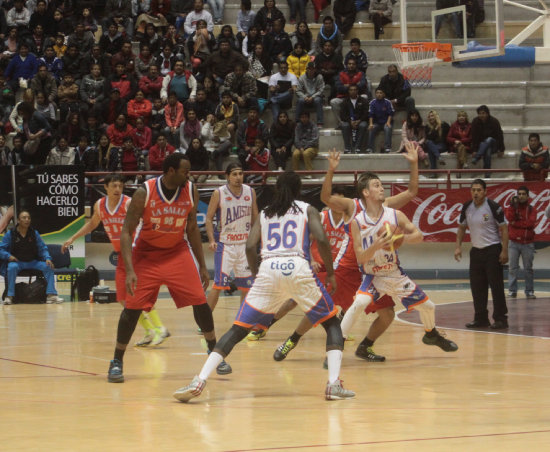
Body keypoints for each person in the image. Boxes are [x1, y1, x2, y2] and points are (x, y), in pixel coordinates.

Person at [173, 171, 356, 402]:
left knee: (238, 329)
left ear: (277, 189)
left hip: (269, 268)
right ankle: (333, 385)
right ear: (298, 189)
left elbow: (250, 246)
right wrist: (330, 272)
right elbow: (320, 239)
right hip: (297, 266)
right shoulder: (307, 209)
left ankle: (200, 379)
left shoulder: (265, 213)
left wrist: (258, 273)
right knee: (331, 323)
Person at [268, 146, 420, 361]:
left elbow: (412, 192)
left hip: (371, 270)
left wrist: (414, 163)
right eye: (376, 185)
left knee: (387, 314)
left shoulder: (385, 207)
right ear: (365, 191)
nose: (380, 188)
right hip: (347, 267)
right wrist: (331, 169)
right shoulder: (352, 206)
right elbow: (325, 196)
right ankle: (291, 340)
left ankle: (365, 346)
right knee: (321, 307)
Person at [107, 153, 231, 383]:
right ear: (171, 171)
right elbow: (126, 231)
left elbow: (192, 227)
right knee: (132, 309)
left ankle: (215, 353)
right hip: (146, 255)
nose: (189, 175)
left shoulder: (190, 190)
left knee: (200, 301)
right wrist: (130, 268)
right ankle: (117, 360)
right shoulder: (145, 192)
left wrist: (203, 265)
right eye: (185, 171)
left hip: (177, 252)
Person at [62, 174, 170, 346]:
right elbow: (92, 224)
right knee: (122, 298)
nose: (118, 189)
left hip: (137, 252)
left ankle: (159, 328)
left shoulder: (128, 203)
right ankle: (151, 330)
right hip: (122, 255)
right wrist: (73, 238)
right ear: (105, 187)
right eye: (114, 186)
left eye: (120, 186)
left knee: (138, 294)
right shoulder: (100, 205)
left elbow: (147, 221)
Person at [455, 179, 509, 329]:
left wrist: (504, 250)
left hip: (493, 250)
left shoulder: (493, 207)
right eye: (473, 190)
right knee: (477, 287)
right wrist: (458, 247)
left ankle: (501, 319)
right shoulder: (467, 207)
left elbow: (504, 229)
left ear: (485, 191)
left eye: (479, 190)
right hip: (476, 251)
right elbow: (461, 228)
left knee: (496, 286)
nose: (476, 193)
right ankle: (481, 318)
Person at [205, 163, 258, 313]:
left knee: (247, 286)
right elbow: (208, 219)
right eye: (234, 174)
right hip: (225, 245)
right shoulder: (219, 193)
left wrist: (256, 240)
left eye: (240, 174)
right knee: (218, 285)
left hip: (244, 245)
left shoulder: (250, 191)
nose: (238, 177)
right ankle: (205, 323)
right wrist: (211, 240)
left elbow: (256, 217)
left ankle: (242, 319)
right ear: (227, 176)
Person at [0, 210, 64, 305]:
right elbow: (1, 249)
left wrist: (47, 258)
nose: (27, 220)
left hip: (33, 262)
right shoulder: (10, 234)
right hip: (17, 262)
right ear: (18, 220)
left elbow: (42, 248)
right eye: (24, 218)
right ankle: (10, 296)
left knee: (48, 266)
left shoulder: (34, 233)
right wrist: (9, 256)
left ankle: (51, 295)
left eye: (29, 218)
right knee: (11, 267)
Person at [505, 186, 537, 299]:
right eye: (519, 194)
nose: (521, 196)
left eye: (524, 194)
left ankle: (529, 291)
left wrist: (516, 223)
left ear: (528, 196)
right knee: (512, 268)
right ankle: (512, 290)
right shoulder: (512, 208)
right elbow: (509, 219)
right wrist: (513, 207)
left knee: (528, 269)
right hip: (514, 243)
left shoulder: (531, 209)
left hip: (528, 243)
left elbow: (531, 223)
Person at [466, 104, 505, 176]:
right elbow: (474, 137)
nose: (481, 115)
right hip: (482, 146)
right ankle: (487, 172)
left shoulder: (494, 121)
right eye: (480, 114)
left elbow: (500, 135)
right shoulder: (475, 121)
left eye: (483, 113)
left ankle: (478, 157)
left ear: (487, 113)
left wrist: (501, 149)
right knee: (487, 150)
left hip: (494, 144)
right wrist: (474, 149)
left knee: (489, 139)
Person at [340, 84, 369, 154]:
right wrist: (350, 121)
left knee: (363, 125)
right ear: (348, 91)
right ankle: (347, 148)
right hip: (349, 121)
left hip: (361, 120)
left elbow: (366, 113)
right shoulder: (345, 101)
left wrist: (359, 120)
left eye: (355, 90)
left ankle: (357, 148)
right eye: (351, 90)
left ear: (357, 91)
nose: (353, 92)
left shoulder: (363, 100)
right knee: (344, 125)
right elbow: (342, 115)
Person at [295, 62, 325, 127]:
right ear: (306, 69)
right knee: (300, 101)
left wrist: (312, 97)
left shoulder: (319, 77)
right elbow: (298, 90)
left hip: (315, 97)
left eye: (313, 69)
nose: (311, 70)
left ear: (315, 70)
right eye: (309, 69)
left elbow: (321, 90)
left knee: (318, 100)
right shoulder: (302, 77)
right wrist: (305, 97)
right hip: (305, 97)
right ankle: (297, 122)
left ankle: (320, 122)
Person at [367, 87, 394, 154]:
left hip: (386, 122)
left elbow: (391, 113)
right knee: (371, 129)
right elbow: (371, 114)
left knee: (387, 128)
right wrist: (371, 124)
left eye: (381, 93)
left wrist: (388, 122)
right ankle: (370, 148)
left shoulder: (388, 102)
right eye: (377, 93)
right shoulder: (372, 102)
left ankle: (387, 148)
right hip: (377, 123)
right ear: (375, 94)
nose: (379, 94)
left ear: (384, 94)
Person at [446, 110, 472, 177]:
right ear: (457, 118)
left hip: (467, 146)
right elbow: (448, 137)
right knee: (461, 147)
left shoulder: (470, 126)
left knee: (461, 148)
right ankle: (464, 163)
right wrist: (455, 140)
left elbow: (471, 138)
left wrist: (461, 141)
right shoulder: (454, 125)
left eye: (463, 116)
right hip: (455, 145)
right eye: (459, 116)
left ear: (466, 117)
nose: (461, 117)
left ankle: (458, 171)